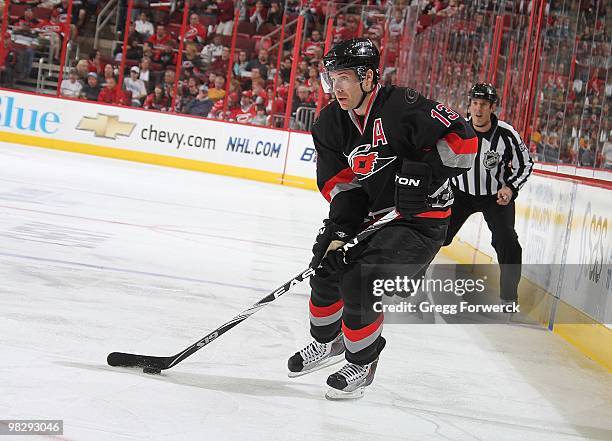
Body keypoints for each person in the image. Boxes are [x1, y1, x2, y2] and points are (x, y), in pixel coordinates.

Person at [287, 38, 477, 399]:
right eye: (332, 78)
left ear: (368, 77)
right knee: (326, 268)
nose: (336, 87)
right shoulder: (330, 123)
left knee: (362, 282)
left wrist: (424, 173)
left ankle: (362, 362)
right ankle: (327, 344)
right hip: (372, 216)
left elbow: (463, 143)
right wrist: (341, 228)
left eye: (344, 77)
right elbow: (339, 183)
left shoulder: (404, 106)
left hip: (421, 221)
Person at [446, 83, 533, 307]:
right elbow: (440, 158)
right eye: (474, 103)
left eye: (483, 104)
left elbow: (526, 164)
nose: (478, 109)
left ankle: (508, 297)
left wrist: (511, 188)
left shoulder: (507, 134)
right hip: (460, 193)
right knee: (435, 234)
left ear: (492, 107)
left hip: (496, 196)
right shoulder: (458, 129)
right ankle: (408, 281)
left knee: (507, 242)